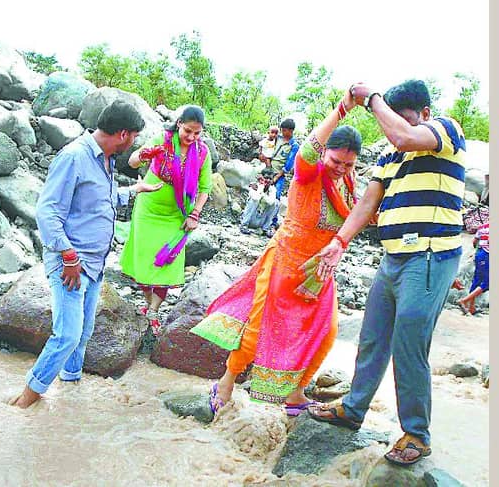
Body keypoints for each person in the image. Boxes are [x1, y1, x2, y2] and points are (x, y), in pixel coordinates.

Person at [308, 80, 466, 467]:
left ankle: (417, 433)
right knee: (373, 336)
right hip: (393, 256)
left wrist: (373, 99)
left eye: (403, 118)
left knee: (409, 340)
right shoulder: (391, 153)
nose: (392, 127)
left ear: (424, 114)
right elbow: (369, 200)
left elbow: (404, 135)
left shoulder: (446, 129)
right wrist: (340, 241)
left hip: (429, 254)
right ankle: (353, 408)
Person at [195, 87, 362, 417]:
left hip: (320, 271)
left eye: (348, 163)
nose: (341, 168)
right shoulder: (309, 173)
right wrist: (344, 107)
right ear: (324, 154)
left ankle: (296, 393)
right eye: (335, 160)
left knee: (325, 332)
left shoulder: (347, 183)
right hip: (285, 263)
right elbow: (309, 149)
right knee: (259, 330)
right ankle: (226, 383)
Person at [10, 101, 162, 409]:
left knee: (83, 333)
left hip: (93, 263)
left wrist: (135, 191)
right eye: (134, 136)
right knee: (67, 335)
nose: (134, 143)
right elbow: (47, 212)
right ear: (123, 134)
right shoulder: (74, 157)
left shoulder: (105, 159)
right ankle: (26, 400)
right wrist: (68, 256)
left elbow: (98, 201)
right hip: (71, 263)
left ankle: (71, 387)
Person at [120, 106, 213, 336]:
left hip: (177, 215)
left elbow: (205, 188)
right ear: (179, 123)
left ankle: (153, 310)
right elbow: (132, 162)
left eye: (197, 133)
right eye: (188, 131)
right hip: (148, 210)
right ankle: (147, 302)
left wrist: (195, 214)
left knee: (167, 262)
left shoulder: (202, 153)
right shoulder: (162, 140)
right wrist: (145, 155)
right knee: (144, 258)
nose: (191, 137)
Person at [457, 222, 489, 315]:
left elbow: (474, 242)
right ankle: (464, 300)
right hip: (488, 255)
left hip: (479, 254)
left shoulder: (483, 226)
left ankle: (471, 307)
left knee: (477, 280)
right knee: (488, 282)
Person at [239, 170, 280, 237]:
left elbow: (271, 202)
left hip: (261, 219)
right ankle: (244, 225)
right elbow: (256, 198)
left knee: (276, 203)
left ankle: (266, 228)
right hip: (251, 218)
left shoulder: (272, 189)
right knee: (254, 201)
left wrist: (262, 194)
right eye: (266, 178)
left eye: (270, 179)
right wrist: (261, 187)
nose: (268, 180)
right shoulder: (255, 186)